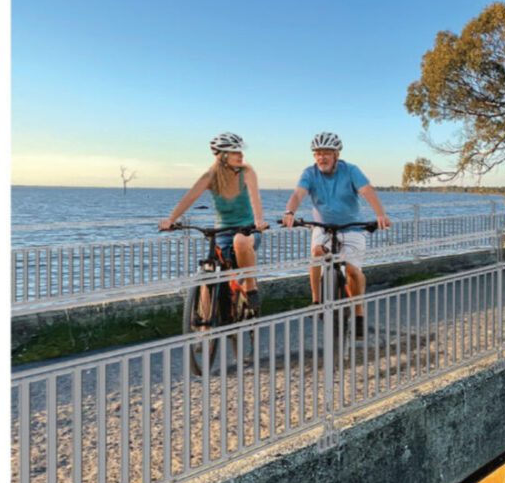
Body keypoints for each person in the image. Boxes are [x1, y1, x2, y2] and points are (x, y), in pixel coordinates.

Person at [281, 131, 391, 337]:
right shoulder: (309, 173)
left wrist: (380, 215)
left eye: (326, 153)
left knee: (351, 270)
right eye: (318, 153)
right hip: (323, 227)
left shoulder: (350, 170)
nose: (321, 157)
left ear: (336, 155)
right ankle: (315, 300)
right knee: (315, 253)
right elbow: (298, 193)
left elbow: (367, 191)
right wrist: (289, 212)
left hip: (352, 228)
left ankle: (358, 313)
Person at [159, 132, 269, 310]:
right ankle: (204, 327)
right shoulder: (210, 176)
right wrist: (170, 220)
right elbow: (189, 198)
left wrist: (258, 220)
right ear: (222, 155)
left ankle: (250, 285)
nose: (241, 155)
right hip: (223, 232)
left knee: (240, 241)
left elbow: (255, 199)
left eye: (241, 151)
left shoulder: (247, 172)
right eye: (235, 152)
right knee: (210, 271)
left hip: (248, 229)